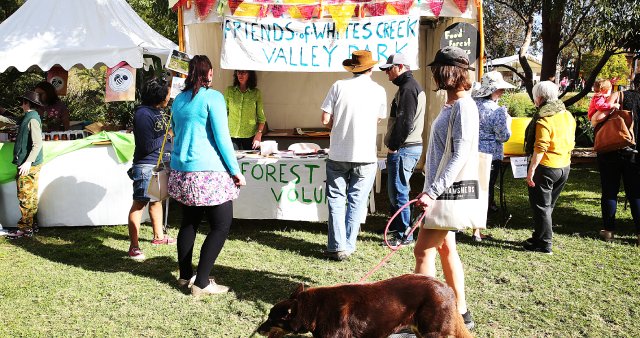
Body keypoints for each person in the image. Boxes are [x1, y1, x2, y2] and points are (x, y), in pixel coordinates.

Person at [169, 55, 246, 296]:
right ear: (209, 73)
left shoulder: (178, 100)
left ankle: (184, 276)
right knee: (221, 225)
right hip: (209, 173)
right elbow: (223, 139)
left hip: (182, 171)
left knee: (189, 222)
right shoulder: (214, 97)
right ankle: (201, 281)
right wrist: (235, 171)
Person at [413, 46, 477, 330]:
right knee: (446, 251)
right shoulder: (453, 104)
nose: (434, 75)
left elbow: (460, 154)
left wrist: (432, 191)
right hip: (441, 191)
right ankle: (461, 313)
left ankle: (420, 320)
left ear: (446, 72)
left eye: (437, 70)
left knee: (422, 252)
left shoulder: (463, 105)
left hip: (445, 193)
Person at [320, 50, 387, 261]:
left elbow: (324, 119)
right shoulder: (379, 90)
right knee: (357, 201)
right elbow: (378, 119)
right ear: (371, 68)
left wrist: (337, 125)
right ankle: (348, 246)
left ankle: (336, 246)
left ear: (352, 68)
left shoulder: (339, 86)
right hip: (366, 154)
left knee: (337, 200)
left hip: (339, 152)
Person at [126, 78, 176, 261]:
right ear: (159, 96)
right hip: (147, 166)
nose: (169, 97)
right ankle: (134, 247)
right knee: (139, 204)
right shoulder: (142, 114)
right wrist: (168, 134)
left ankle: (159, 237)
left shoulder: (158, 112)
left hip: (160, 164)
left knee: (157, 201)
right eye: (168, 94)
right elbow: (147, 145)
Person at [523, 81, 576, 254]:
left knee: (541, 207)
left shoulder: (544, 118)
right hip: (564, 166)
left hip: (546, 167)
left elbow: (540, 147)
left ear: (539, 97)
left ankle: (546, 244)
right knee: (547, 206)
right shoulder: (567, 114)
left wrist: (531, 170)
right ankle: (538, 237)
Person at [378, 53, 425, 246]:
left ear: (400, 67)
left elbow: (405, 122)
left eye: (389, 69)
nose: (387, 73)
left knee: (399, 191)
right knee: (396, 190)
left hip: (405, 148)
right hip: (407, 147)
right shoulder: (409, 87)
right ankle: (398, 229)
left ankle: (405, 234)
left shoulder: (408, 88)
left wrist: (394, 147)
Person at [594, 75, 640, 244]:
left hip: (611, 149)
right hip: (636, 154)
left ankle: (608, 231)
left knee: (609, 190)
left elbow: (597, 119)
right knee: (636, 193)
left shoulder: (620, 95)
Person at [470, 71, 514, 242]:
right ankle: (477, 230)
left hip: (471, 152)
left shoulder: (472, 105)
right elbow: (503, 136)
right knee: (485, 191)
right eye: (500, 90)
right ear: (493, 91)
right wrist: (508, 123)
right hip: (490, 156)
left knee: (469, 188)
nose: (502, 93)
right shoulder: (497, 111)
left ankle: (459, 225)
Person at [7, 91, 44, 239]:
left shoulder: (32, 119)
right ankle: (31, 226)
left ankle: (25, 229)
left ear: (27, 103)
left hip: (29, 165)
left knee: (25, 196)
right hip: (32, 164)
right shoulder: (30, 117)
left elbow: (37, 144)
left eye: (22, 102)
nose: (21, 104)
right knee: (31, 196)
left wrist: (28, 162)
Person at [224, 70, 267, 150]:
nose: (240, 75)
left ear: (249, 74)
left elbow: (261, 118)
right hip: (232, 135)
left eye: (244, 72)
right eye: (238, 72)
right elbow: (223, 113)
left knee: (250, 161)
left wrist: (259, 134)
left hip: (250, 136)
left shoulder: (256, 93)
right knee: (233, 160)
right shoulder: (229, 91)